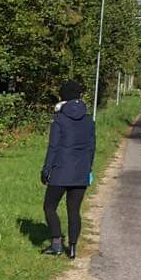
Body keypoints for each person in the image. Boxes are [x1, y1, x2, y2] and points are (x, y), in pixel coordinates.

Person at [40, 77, 96, 259]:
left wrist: (46, 169)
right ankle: (72, 248)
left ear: (63, 98)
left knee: (49, 207)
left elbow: (53, 147)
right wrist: (88, 169)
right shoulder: (89, 121)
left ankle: (56, 244)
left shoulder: (59, 119)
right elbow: (91, 148)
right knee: (74, 210)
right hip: (81, 172)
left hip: (60, 170)